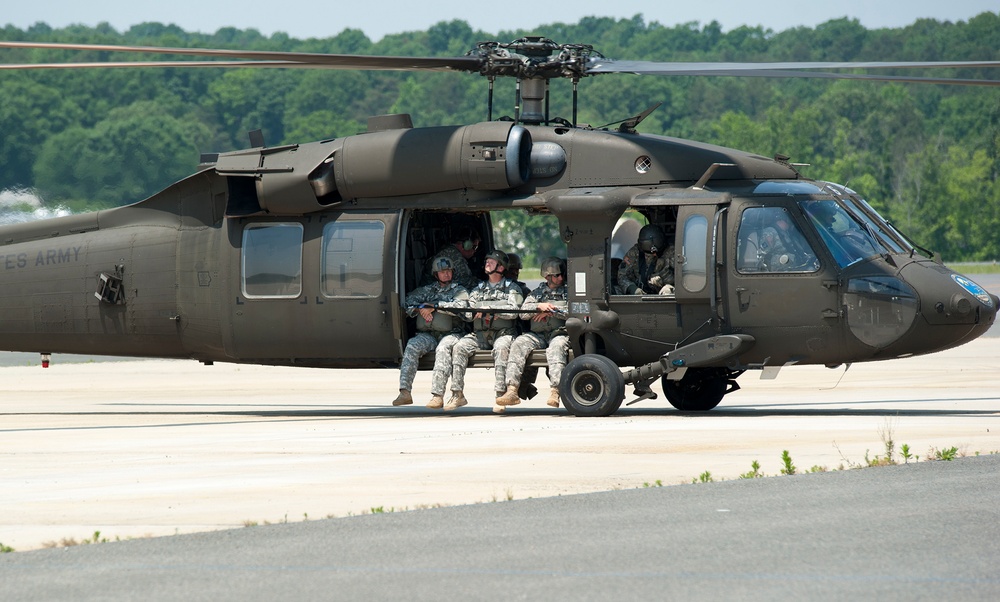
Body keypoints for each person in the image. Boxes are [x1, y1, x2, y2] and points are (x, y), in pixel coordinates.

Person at [448, 250, 524, 410]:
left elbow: (515, 310)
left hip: (503, 333)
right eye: (486, 261)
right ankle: (457, 394)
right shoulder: (478, 289)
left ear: (501, 267)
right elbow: (468, 314)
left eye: (491, 261)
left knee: (502, 348)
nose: (487, 264)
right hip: (480, 334)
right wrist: (476, 310)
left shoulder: (512, 289)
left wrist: (493, 309)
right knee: (460, 347)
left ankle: (500, 396)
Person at [392, 257, 470, 409]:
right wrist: (421, 307)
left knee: (443, 349)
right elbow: (407, 302)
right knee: (412, 345)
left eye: (449, 271)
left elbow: (461, 306)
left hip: (452, 334)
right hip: (429, 335)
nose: (446, 274)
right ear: (436, 274)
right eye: (442, 272)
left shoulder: (459, 290)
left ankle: (437, 395)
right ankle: (405, 392)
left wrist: (435, 306)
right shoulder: (428, 290)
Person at [495, 257, 569, 413]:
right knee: (519, 344)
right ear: (547, 276)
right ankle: (512, 389)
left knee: (557, 347)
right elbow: (523, 313)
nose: (560, 278)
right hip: (538, 334)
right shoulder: (536, 294)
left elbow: (576, 311)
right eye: (556, 275)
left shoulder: (569, 292)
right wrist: (538, 307)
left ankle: (556, 390)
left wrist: (552, 311)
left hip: (559, 333)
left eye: (561, 274)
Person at [617, 223, 674, 295]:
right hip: (640, 295)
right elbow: (622, 275)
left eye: (656, 253)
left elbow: (684, 278)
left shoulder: (672, 253)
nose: (654, 255)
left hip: (665, 294)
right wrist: (632, 288)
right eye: (649, 254)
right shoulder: (634, 253)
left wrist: (670, 287)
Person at [423, 226, 481, 291]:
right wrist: (483, 284)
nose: (475, 251)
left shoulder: (449, 250)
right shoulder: (454, 256)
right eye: (474, 247)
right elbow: (465, 282)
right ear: (467, 245)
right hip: (433, 293)